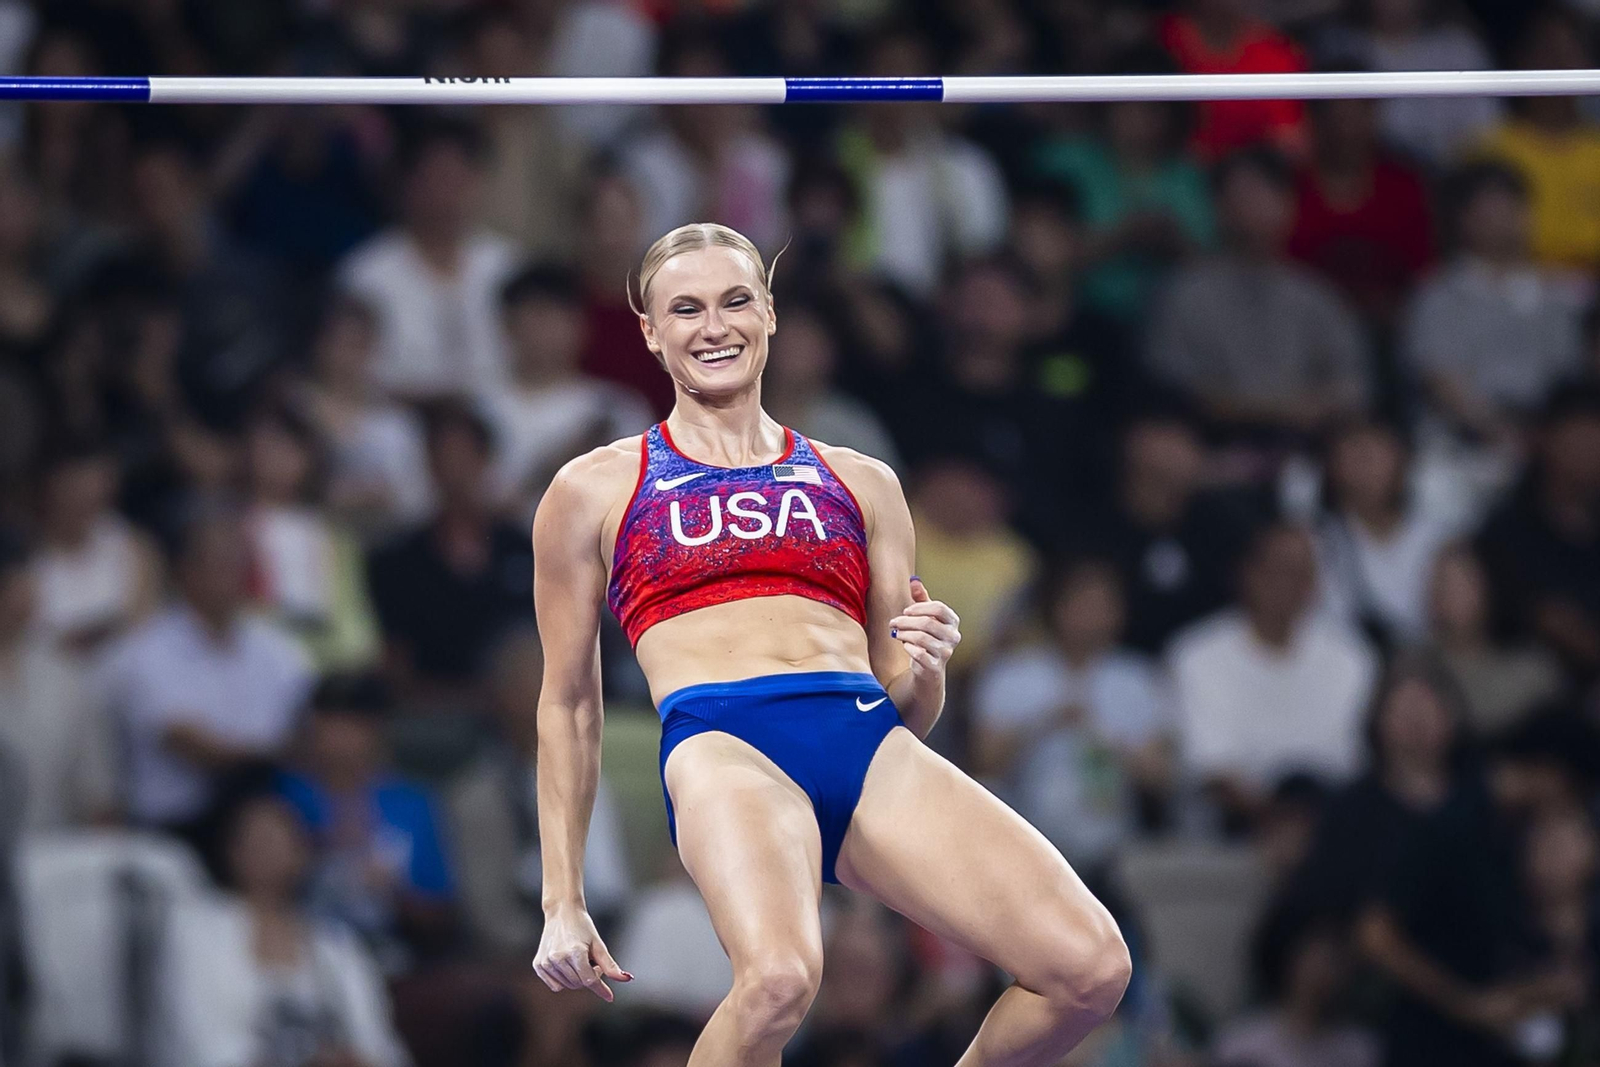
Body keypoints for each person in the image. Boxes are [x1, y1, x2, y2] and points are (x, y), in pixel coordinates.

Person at [531, 223, 1130, 1064]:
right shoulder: (594, 484)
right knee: (778, 979)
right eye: (687, 308)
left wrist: (926, 668)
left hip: (861, 734)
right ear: (650, 332)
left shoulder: (863, 478)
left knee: (1089, 966)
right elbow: (567, 702)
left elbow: (908, 704)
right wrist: (564, 898)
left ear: (770, 315)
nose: (715, 326)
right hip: (723, 740)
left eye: (737, 301)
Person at [164, 791, 410, 1067]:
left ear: (302, 852)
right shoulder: (197, 931)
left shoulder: (335, 943)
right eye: (257, 840)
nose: (269, 851)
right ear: (232, 852)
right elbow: (196, 1044)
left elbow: (377, 1043)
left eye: (279, 838)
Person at [1168, 522, 1378, 830]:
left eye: (1303, 572)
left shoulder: (1353, 658)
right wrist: (1279, 822)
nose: (1289, 584)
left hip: (1336, 829)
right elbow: (1210, 770)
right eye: (1279, 569)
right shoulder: (1194, 656)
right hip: (1231, 833)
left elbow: (1355, 766)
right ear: (1247, 573)